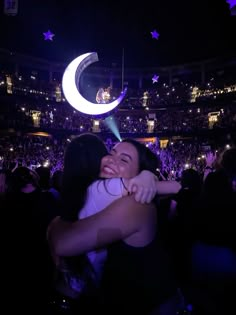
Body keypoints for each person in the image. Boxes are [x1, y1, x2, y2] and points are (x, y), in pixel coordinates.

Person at [48, 134, 180, 314]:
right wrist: (149, 177)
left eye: (124, 160)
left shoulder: (132, 201)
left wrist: (148, 178)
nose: (111, 160)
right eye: (111, 153)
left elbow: (62, 244)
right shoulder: (100, 191)